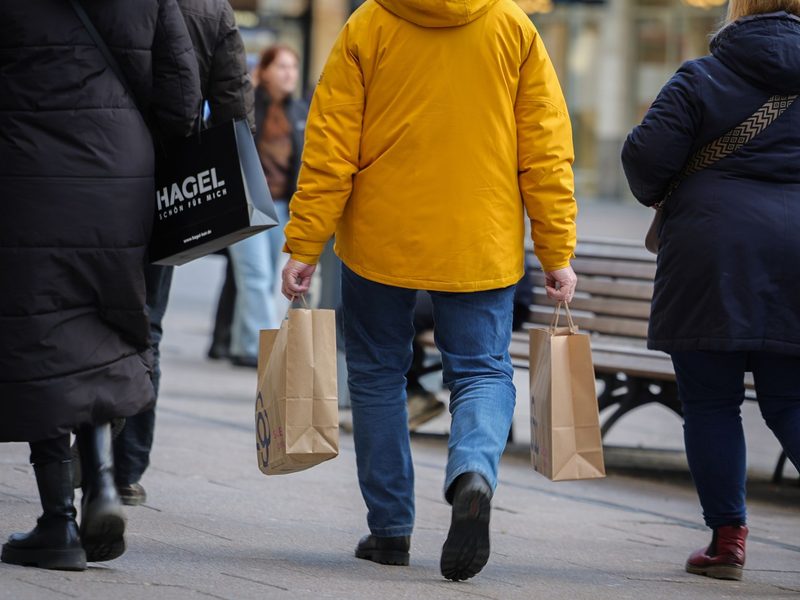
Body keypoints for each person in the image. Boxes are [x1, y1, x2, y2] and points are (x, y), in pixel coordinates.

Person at [282, 0, 578, 581]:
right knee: (483, 371)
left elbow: (330, 142)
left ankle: (390, 529)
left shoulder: (369, 22)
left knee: (375, 374)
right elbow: (545, 146)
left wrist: (305, 241)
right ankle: (472, 472)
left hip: (378, 238)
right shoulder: (512, 27)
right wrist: (556, 249)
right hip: (481, 239)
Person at [0, 0, 201, 571]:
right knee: (105, 324)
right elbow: (181, 96)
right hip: (121, 172)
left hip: (27, 170)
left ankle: (57, 522)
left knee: (43, 335)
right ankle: (104, 485)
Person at [622, 0, 800, 582]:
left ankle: (727, 543)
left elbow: (646, 158)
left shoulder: (702, 77)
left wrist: (667, 190)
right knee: (791, 399)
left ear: (738, 8)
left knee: (710, 402)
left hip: (710, 253)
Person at [111, 0, 256, 507]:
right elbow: (233, 101)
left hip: (93, 164)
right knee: (147, 324)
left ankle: (69, 450)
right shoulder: (213, 10)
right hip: (168, 180)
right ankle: (125, 468)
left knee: (79, 311)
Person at [226, 44, 309, 368]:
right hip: (247, 205)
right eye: (281, 67)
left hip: (283, 207)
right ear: (263, 72)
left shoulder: (300, 111)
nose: (289, 73)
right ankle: (266, 351)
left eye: (293, 67)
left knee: (267, 278)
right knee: (256, 275)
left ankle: (240, 342)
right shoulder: (247, 106)